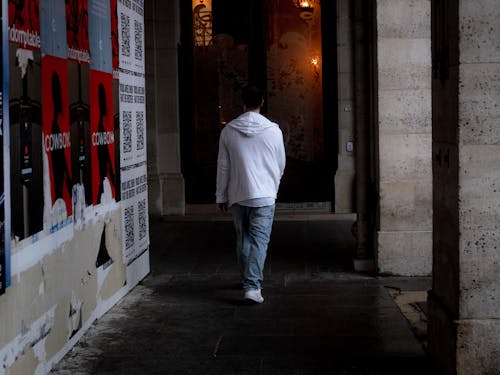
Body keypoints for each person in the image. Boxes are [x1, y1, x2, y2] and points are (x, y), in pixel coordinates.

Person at [216, 85, 286, 304]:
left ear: (242, 103)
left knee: (243, 239)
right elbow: (281, 163)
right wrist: (272, 186)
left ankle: (247, 279)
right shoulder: (273, 130)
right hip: (264, 194)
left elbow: (223, 166)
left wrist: (221, 195)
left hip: (238, 194)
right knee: (259, 241)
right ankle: (252, 286)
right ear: (262, 103)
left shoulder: (228, 130)